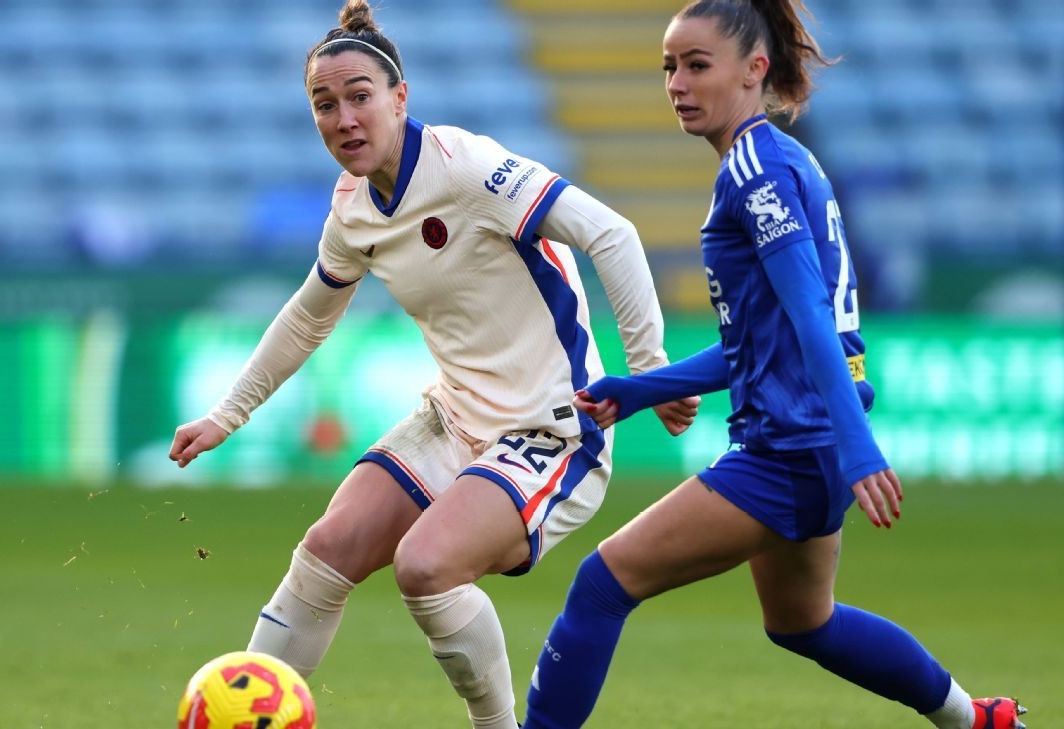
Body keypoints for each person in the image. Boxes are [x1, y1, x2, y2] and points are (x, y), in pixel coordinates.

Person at [167, 2, 698, 727]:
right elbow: (310, 313)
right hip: (453, 420)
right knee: (325, 551)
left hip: (550, 431)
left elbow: (611, 233)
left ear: (400, 97)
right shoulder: (353, 206)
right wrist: (228, 414)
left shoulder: (469, 168)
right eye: (325, 104)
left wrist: (649, 369)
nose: (345, 118)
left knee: (426, 568)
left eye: (360, 96)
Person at [520, 2, 1026, 728]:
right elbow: (763, 339)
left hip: (791, 446)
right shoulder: (784, 159)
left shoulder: (755, 170)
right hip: (810, 439)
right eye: (669, 67)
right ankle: (977, 720)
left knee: (603, 582)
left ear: (755, 70)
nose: (677, 84)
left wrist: (857, 449)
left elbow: (811, 314)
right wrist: (640, 391)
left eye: (698, 65)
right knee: (801, 620)